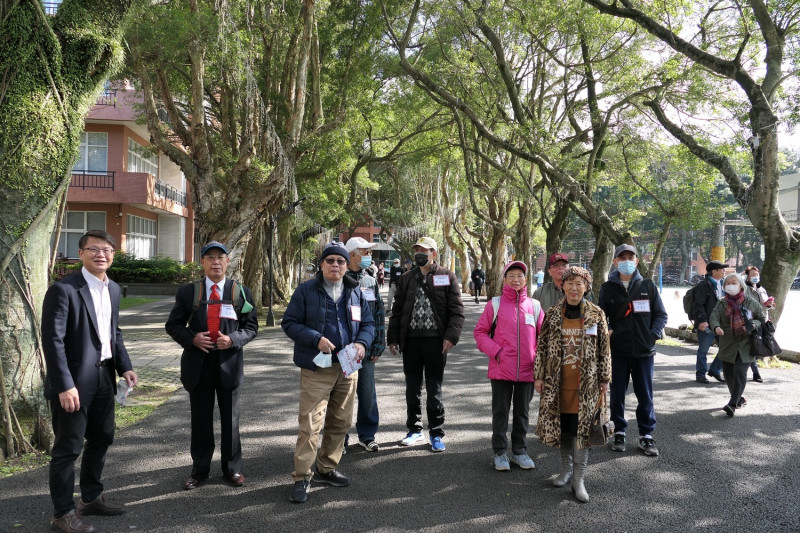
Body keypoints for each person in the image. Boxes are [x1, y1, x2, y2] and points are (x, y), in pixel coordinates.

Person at [42, 230, 138, 533]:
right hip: (73, 383)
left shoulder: (113, 289)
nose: (101, 254)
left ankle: (91, 497)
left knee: (102, 437)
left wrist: (125, 367)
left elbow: (114, 333)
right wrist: (63, 385)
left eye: (108, 250)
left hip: (104, 377)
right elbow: (52, 341)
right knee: (68, 448)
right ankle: (63, 512)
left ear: (113, 255)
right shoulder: (64, 290)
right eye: (94, 249)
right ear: (81, 253)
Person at [281, 242, 375, 504]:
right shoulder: (306, 291)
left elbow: (367, 323)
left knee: (341, 421)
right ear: (321, 264)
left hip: (347, 367)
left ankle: (327, 467)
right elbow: (289, 323)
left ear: (347, 266)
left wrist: (361, 343)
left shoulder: (355, 291)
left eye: (341, 261)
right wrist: (315, 338)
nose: (336, 265)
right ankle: (302, 477)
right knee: (311, 424)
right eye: (330, 260)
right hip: (317, 368)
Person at [165, 241, 259, 491]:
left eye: (220, 257)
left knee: (231, 420)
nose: (215, 261)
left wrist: (234, 339)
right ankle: (200, 470)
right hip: (198, 365)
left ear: (228, 262)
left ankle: (233, 469)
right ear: (202, 263)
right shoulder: (188, 292)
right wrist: (192, 338)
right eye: (210, 258)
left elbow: (251, 327)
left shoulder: (240, 292)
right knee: (200, 420)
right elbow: (173, 325)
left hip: (229, 364)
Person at [534, 266, 611, 503]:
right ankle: (566, 470)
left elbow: (604, 349)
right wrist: (538, 376)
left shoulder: (596, 314)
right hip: (558, 384)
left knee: (582, 432)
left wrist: (605, 379)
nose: (574, 288)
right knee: (563, 428)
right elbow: (543, 346)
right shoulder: (553, 313)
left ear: (586, 287)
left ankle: (579, 479)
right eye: (569, 283)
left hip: (586, 386)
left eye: (579, 283)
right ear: (562, 286)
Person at [387, 236, 464, 452]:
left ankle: (437, 432)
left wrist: (451, 337)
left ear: (434, 254)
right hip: (410, 342)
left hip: (436, 343)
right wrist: (392, 337)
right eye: (417, 250)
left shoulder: (446, 276)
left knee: (434, 389)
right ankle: (414, 430)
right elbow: (398, 309)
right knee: (412, 389)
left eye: (425, 250)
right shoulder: (406, 278)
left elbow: (457, 311)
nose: (420, 253)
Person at [598, 244, 667, 457]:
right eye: (622, 257)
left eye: (630, 257)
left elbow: (661, 315)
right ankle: (619, 431)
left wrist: (652, 335)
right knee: (617, 393)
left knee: (645, 395)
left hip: (644, 352)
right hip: (617, 351)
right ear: (615, 261)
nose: (626, 261)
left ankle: (646, 435)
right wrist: (608, 329)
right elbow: (601, 317)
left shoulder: (648, 286)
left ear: (637, 261)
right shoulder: (607, 288)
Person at [474, 261, 544, 471]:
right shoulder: (494, 304)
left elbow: (544, 337)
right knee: (500, 412)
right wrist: (497, 351)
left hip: (527, 370)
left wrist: (537, 358)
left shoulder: (535, 306)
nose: (516, 279)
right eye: (511, 275)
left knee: (522, 413)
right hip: (501, 368)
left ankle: (520, 451)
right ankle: (500, 452)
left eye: (520, 276)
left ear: (526, 280)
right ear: (504, 279)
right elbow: (480, 332)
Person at [343, 237, 386, 452]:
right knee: (341, 395)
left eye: (369, 251)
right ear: (352, 255)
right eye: (365, 251)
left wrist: (378, 345)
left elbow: (378, 313)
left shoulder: (370, 279)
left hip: (367, 349)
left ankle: (367, 435)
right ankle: (339, 438)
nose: (369, 255)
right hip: (344, 349)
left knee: (367, 393)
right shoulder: (338, 278)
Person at [708, 274, 765, 416]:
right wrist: (716, 327)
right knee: (729, 376)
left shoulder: (750, 302)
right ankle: (739, 399)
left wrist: (753, 324)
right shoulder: (721, 303)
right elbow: (714, 317)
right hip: (727, 344)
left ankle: (732, 404)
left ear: (740, 285)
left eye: (733, 282)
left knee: (740, 373)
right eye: (727, 283)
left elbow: (761, 317)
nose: (730, 285)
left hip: (746, 344)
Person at [692, 261, 728, 383]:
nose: (724, 271)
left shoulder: (724, 284)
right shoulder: (703, 285)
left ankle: (715, 369)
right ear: (714, 271)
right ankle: (700, 374)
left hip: (721, 323)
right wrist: (702, 320)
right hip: (707, 323)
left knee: (726, 347)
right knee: (703, 350)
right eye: (721, 269)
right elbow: (699, 305)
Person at [743, 265, 774, 382]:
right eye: (752, 275)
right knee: (752, 347)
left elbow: (766, 306)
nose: (755, 277)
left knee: (756, 347)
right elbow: (745, 305)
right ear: (747, 277)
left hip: (762, 321)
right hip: (751, 321)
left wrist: (769, 304)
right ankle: (755, 373)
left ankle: (751, 373)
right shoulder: (745, 289)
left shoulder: (762, 289)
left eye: (757, 274)